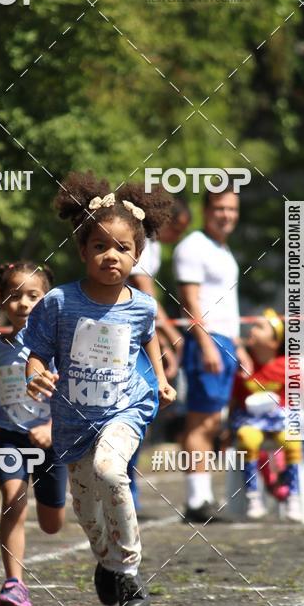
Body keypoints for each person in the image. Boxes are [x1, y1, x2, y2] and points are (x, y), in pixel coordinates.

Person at [24, 171, 176, 606]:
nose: (112, 255)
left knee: (112, 472)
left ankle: (128, 570)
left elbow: (148, 337)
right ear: (82, 250)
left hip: (125, 408)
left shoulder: (143, 305)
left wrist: (161, 378)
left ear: (137, 255)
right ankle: (106, 561)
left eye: (123, 248)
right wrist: (36, 374)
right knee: (86, 511)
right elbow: (37, 351)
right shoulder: (59, 302)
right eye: (100, 246)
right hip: (73, 419)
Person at [0, 261, 67, 606]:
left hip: (50, 440)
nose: (22, 303)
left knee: (52, 524)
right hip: (9, 436)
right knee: (12, 499)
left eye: (32, 295)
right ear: (1, 300)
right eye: (14, 296)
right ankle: (14, 584)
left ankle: (53, 504)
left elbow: (73, 393)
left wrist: (53, 427)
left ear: (47, 299)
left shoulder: (56, 343)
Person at [173, 182, 252, 524]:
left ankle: (203, 496)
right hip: (206, 341)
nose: (226, 215)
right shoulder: (193, 246)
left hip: (225, 341)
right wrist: (206, 344)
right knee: (200, 421)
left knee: (212, 422)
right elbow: (190, 301)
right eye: (220, 208)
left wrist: (239, 347)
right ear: (206, 210)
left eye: (232, 209)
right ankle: (195, 501)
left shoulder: (223, 250)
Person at [127, 196, 191, 511]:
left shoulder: (152, 245)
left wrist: (163, 340)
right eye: (176, 229)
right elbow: (146, 298)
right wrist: (173, 335)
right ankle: (125, 492)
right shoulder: (140, 242)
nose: (176, 238)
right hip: (126, 339)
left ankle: (128, 490)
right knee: (131, 414)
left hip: (138, 335)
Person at [230, 309, 302, 522]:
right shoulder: (244, 365)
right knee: (247, 438)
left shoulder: (287, 366)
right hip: (250, 419)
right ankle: (253, 497)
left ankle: (292, 495)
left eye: (260, 327)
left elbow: (298, 398)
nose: (252, 329)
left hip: (279, 419)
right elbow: (235, 399)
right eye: (253, 325)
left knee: (291, 440)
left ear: (274, 342)